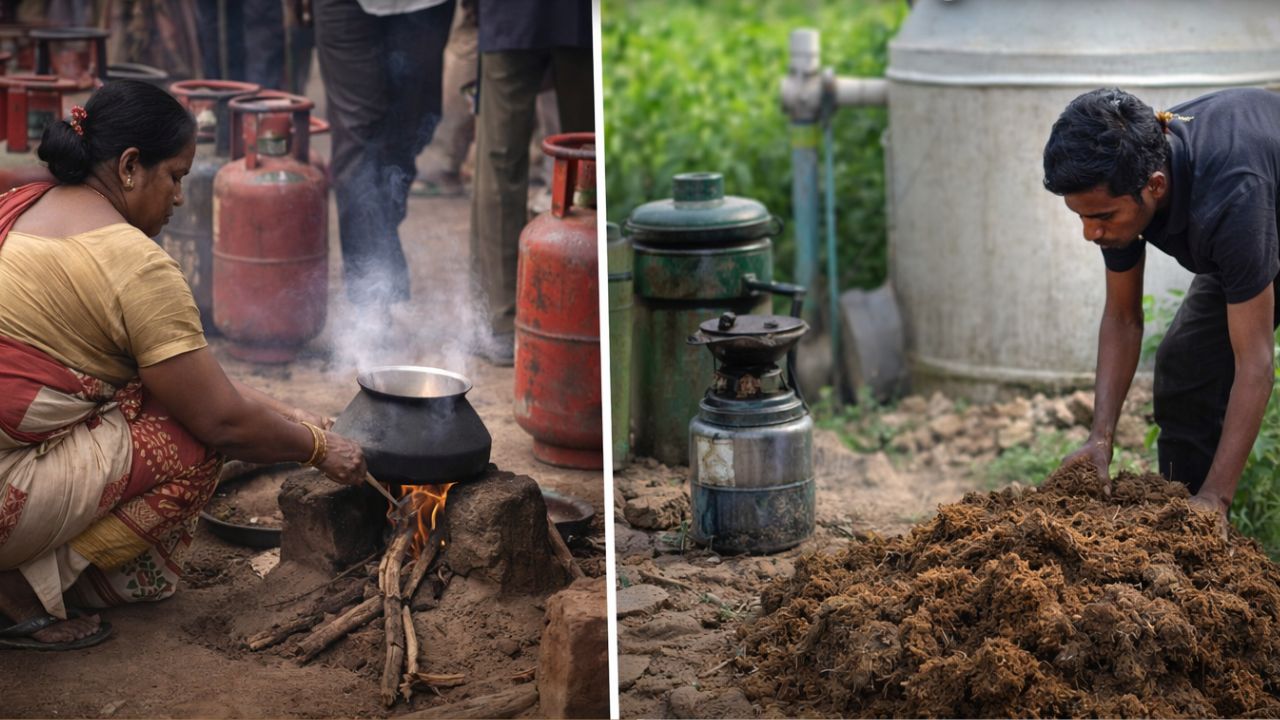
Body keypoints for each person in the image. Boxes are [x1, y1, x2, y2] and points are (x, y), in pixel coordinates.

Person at [0, 80, 367, 651]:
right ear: (128, 166)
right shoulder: (135, 264)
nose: (177, 198)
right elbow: (217, 419)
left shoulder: (20, 202)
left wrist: (291, 412)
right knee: (192, 442)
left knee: (151, 401)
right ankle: (16, 586)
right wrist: (319, 450)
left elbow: (188, 378)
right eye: (175, 176)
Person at [1043, 87, 1280, 527]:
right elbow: (1123, 317)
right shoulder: (1125, 182)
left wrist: (1218, 500)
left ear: (1155, 186)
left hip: (1257, 207)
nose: (1089, 233)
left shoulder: (1231, 195)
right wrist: (1100, 438)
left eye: (1102, 218)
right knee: (1186, 363)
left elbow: (1256, 362)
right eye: (1081, 217)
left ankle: (1211, 509)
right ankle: (1181, 525)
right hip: (1251, 226)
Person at [468, 0, 594, 366]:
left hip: (513, 15)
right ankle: (582, 314)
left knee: (499, 161)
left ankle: (501, 320)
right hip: (579, 17)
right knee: (586, 158)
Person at [313, 0, 455, 309]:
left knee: (411, 133)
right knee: (357, 137)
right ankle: (369, 302)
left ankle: (380, 256)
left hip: (424, 5)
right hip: (343, 7)